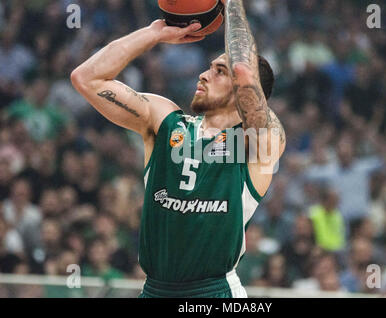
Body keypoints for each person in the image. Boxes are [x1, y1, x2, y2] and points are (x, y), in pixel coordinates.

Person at [71, 0, 285, 298]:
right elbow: (86, 78)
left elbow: (245, 71)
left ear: (245, 91)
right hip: (154, 289)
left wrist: (233, 5)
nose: (204, 74)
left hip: (214, 292)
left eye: (219, 71)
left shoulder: (257, 142)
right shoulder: (166, 121)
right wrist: (152, 34)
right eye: (209, 67)